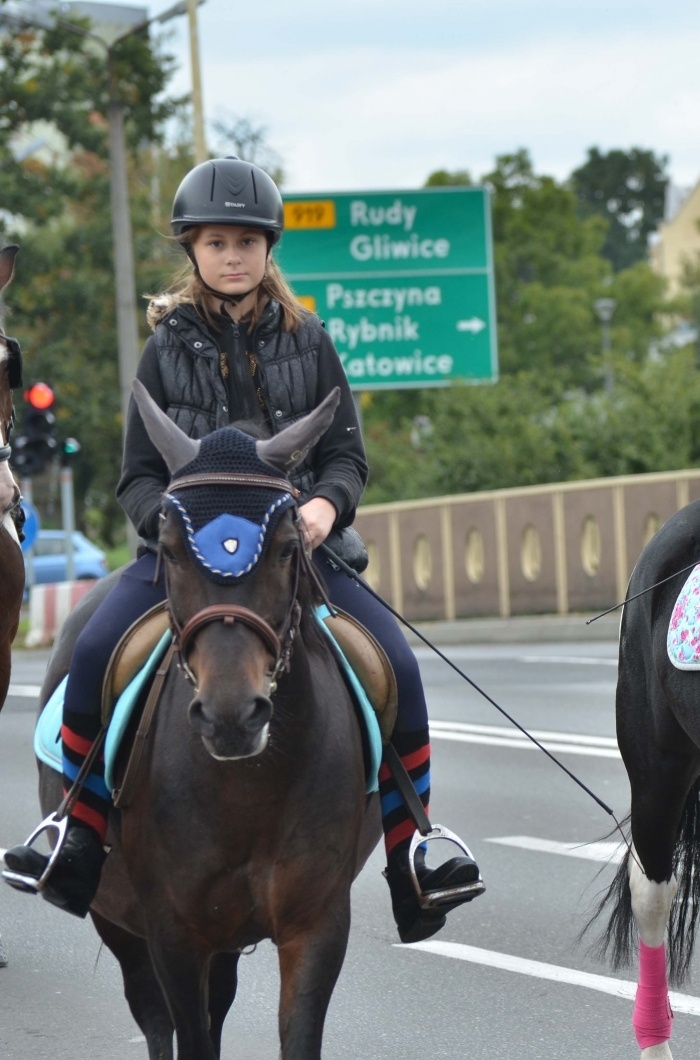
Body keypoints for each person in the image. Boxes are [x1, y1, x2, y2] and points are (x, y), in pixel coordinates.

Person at [3, 157, 481, 944]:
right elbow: (136, 477)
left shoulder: (311, 339)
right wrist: (177, 526)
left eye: (248, 242)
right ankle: (75, 831)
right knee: (88, 656)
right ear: (192, 249)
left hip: (293, 557)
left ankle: (415, 849)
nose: (233, 256)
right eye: (217, 241)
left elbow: (346, 457)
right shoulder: (163, 352)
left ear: (270, 248)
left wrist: (326, 506)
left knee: (397, 664)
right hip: (185, 561)